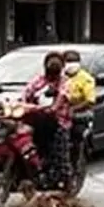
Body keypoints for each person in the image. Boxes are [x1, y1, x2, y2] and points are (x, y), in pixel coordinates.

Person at [21, 50, 72, 188]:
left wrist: (54, 107)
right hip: (37, 117)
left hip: (58, 120)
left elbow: (62, 96)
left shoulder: (65, 82)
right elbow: (26, 93)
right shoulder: (39, 80)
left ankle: (63, 181)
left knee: (58, 152)